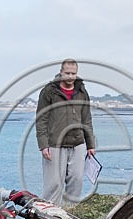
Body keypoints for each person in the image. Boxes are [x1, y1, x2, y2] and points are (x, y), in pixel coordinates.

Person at [35, 58, 96, 206]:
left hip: (78, 143)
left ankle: (69, 218)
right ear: (61, 72)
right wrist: (43, 145)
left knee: (76, 182)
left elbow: (86, 119)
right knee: (53, 185)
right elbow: (41, 119)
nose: (70, 76)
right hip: (54, 144)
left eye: (73, 73)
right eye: (67, 73)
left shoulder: (82, 91)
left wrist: (90, 144)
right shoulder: (49, 91)